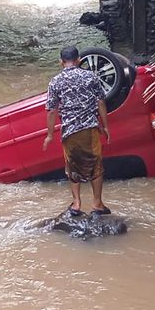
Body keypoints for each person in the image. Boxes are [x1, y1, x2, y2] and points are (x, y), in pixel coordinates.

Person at [42, 46, 111, 216]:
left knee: (72, 165)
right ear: (79, 60)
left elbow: (51, 110)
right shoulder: (90, 77)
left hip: (69, 131)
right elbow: (101, 102)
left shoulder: (55, 81)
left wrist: (50, 135)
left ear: (61, 62)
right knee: (96, 165)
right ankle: (97, 203)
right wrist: (106, 126)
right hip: (90, 128)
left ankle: (76, 203)